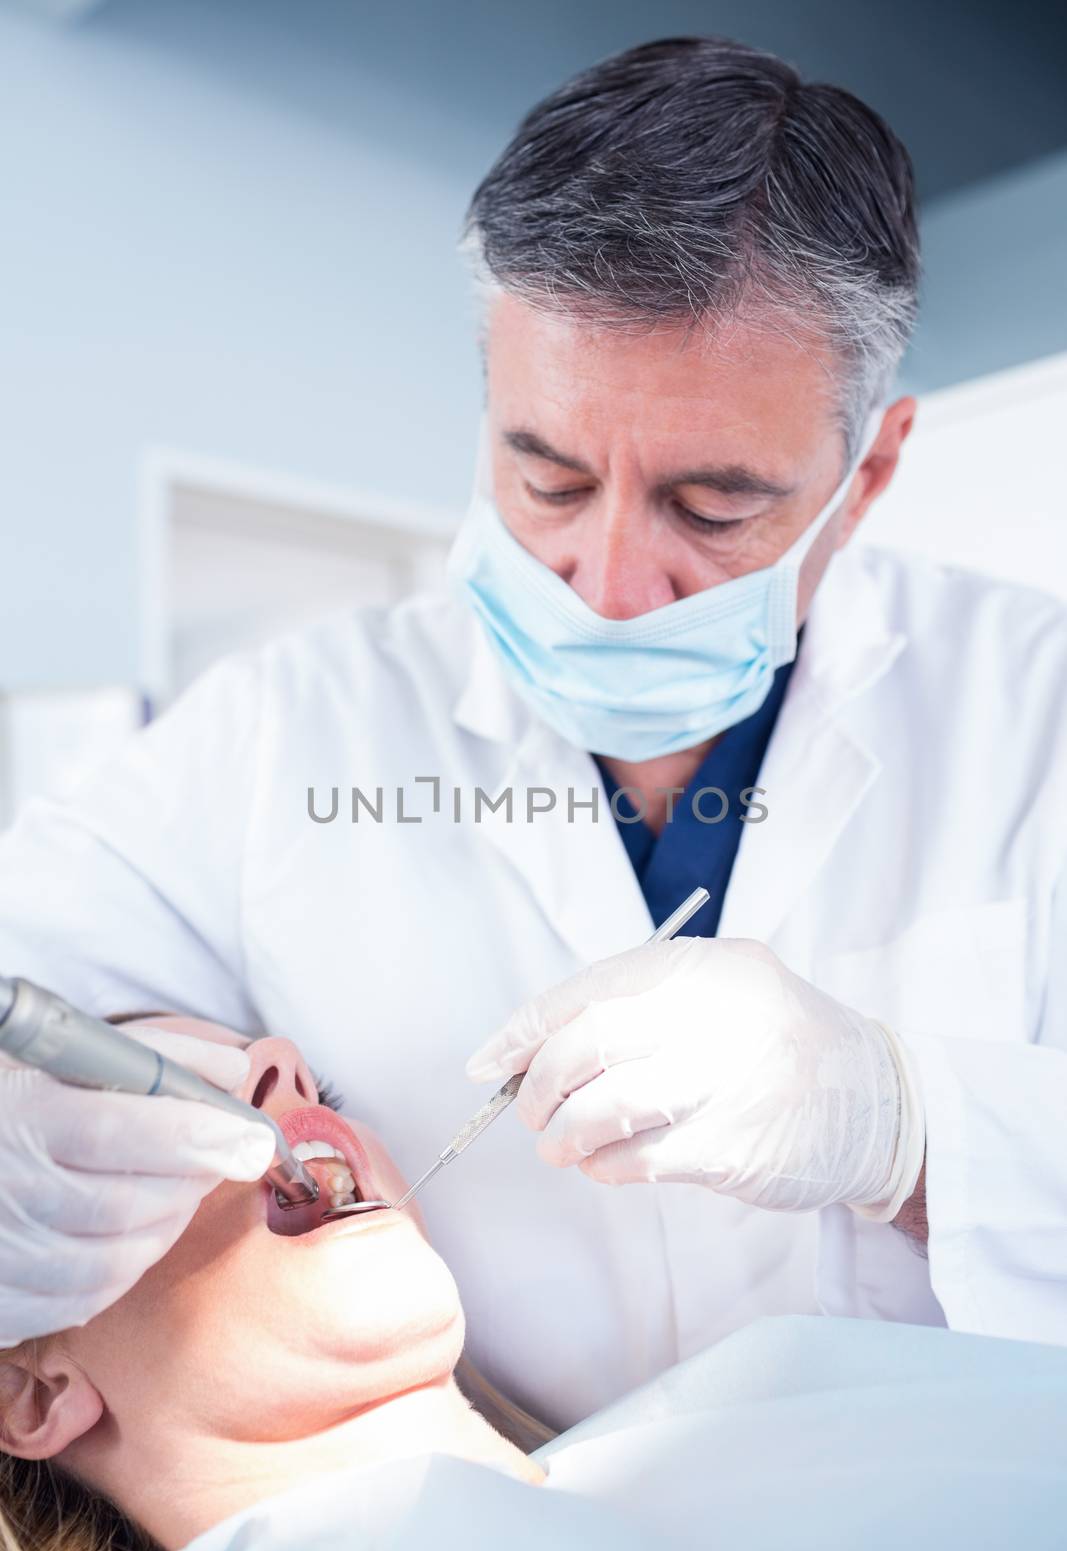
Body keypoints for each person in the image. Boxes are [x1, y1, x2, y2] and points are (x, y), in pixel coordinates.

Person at [2, 36, 1067, 1428]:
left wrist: (908, 1131)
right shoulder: (283, 728)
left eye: (713, 506)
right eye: (546, 476)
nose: (612, 587)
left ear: (865, 471)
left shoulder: (1033, 710)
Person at [2, 1022, 1066, 1551]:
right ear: (31, 1388)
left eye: (279, 1063)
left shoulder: (788, 1385)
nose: (270, 1063)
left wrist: (907, 1134)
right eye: (141, 1099)